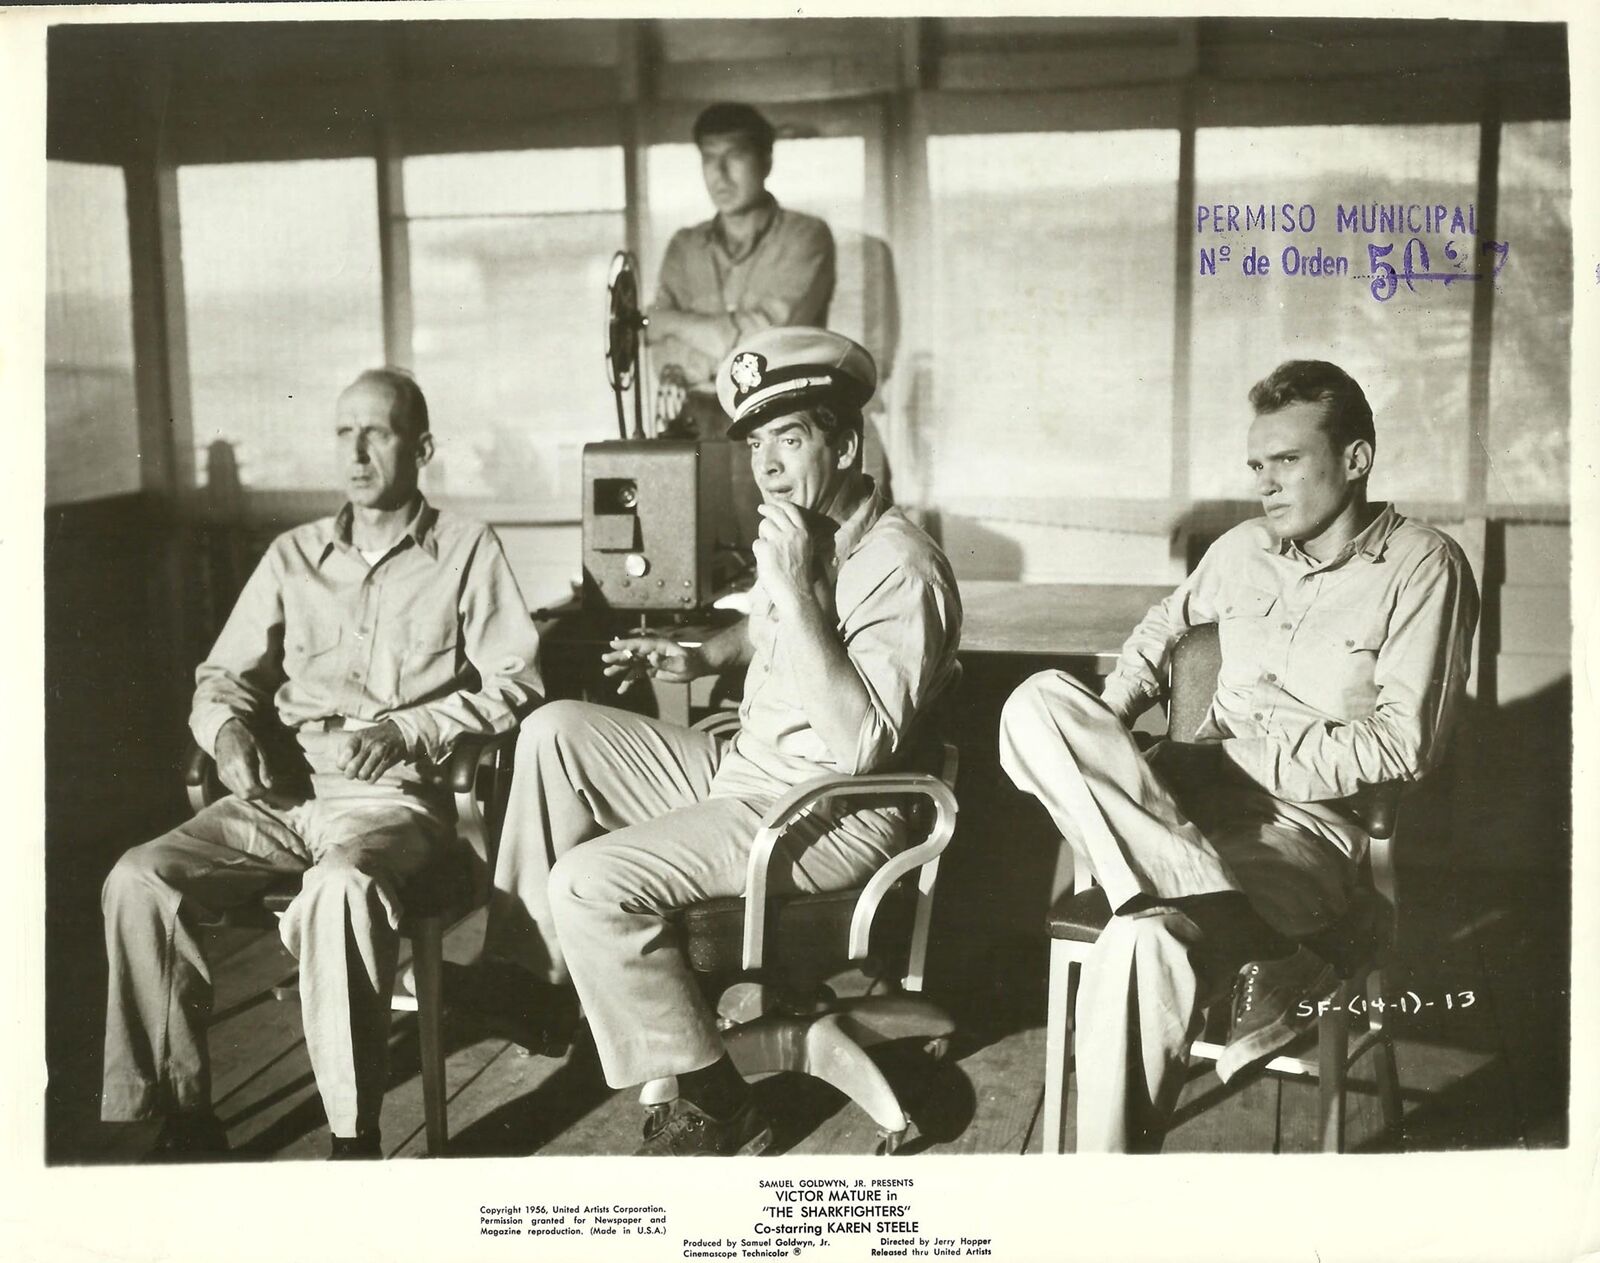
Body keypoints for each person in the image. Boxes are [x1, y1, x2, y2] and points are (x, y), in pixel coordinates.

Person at [482, 327, 961, 1154]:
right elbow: (765, 638)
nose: (766, 464)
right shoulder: (806, 527)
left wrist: (796, 591)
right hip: (745, 769)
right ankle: (537, 978)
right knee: (552, 731)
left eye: (791, 437)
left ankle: (716, 1095)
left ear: (845, 444)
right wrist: (707, 649)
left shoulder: (901, 568)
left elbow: (859, 746)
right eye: (754, 443)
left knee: (588, 882)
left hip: (824, 809)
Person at [999, 360, 1478, 1152]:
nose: (1266, 483)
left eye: (1287, 460)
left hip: (1300, 832)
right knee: (1038, 700)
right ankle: (1212, 907)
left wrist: (1244, 760)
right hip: (1179, 809)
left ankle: (1099, 1190)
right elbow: (1161, 631)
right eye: (1258, 465)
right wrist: (1108, 728)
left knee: (1138, 938)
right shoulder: (1239, 550)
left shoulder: (1422, 566)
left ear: (1356, 459)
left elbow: (1404, 743)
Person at [100, 368, 545, 1160]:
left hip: (395, 804)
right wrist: (226, 734)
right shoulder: (291, 555)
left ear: (423, 447)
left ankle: (352, 1134)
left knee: (341, 885)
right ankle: (185, 1117)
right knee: (139, 876)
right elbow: (221, 678)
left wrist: (411, 729)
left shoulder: (467, 550)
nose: (358, 449)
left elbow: (518, 681)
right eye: (344, 431)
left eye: (377, 431)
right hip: (284, 795)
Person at [649, 102, 836, 438]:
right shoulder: (684, 246)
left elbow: (768, 346)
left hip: (782, 421)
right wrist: (728, 342)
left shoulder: (806, 236)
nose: (719, 174)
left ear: (766, 161)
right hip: (693, 426)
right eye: (708, 157)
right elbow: (659, 355)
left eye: (734, 156)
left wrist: (672, 323)